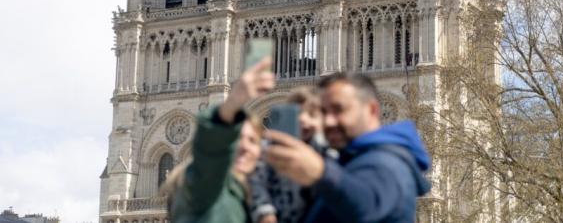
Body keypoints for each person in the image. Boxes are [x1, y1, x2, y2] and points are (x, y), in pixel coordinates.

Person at [264, 73, 431, 223]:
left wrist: (320, 172)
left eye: (339, 110)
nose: (328, 121)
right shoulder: (351, 159)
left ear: (372, 110)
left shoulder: (388, 162)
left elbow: (367, 204)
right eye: (323, 112)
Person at [167, 57, 275, 223]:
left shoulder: (248, 198)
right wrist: (232, 104)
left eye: (252, 141)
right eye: (237, 138)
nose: (245, 146)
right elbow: (209, 150)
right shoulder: (207, 188)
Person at [249, 87, 327, 223]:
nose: (303, 119)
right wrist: (265, 212)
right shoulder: (270, 149)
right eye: (297, 114)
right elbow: (256, 183)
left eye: (312, 115)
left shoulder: (326, 152)